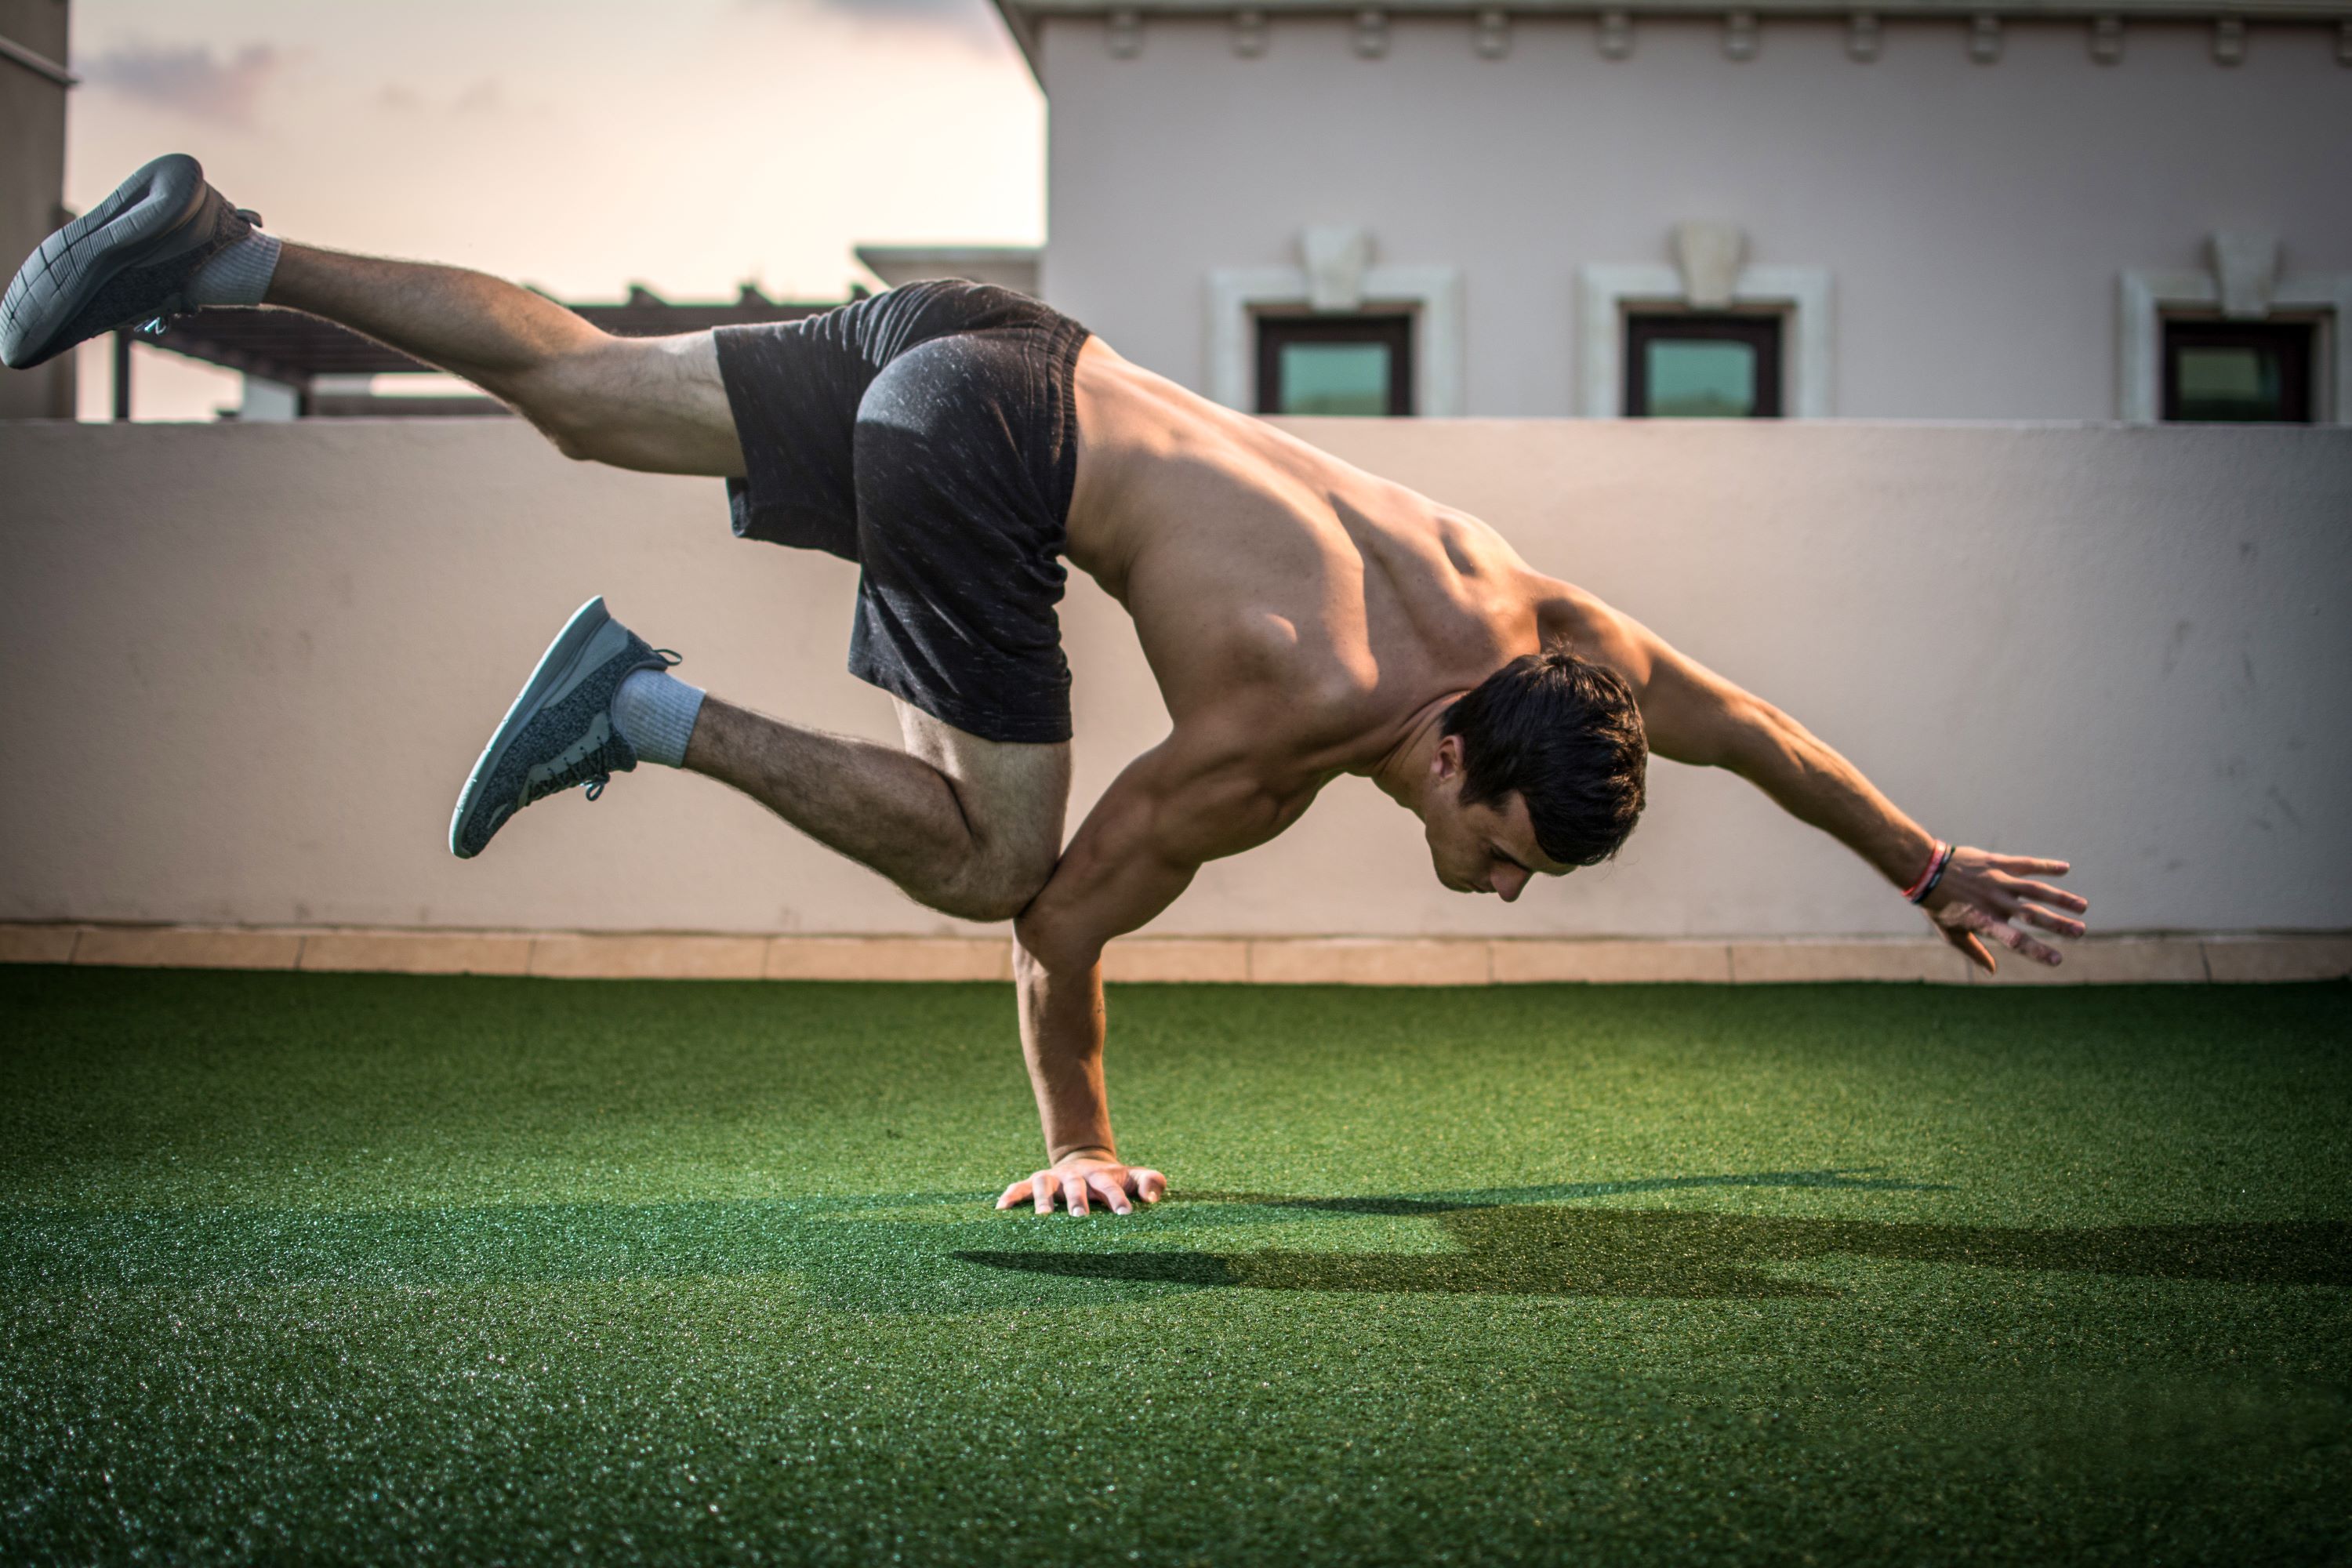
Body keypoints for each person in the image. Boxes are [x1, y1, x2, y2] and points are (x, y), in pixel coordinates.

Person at [3, 156, 2091, 1218]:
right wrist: (1081, 1138)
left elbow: (1762, 733)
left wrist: (1921, 864)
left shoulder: (1563, 634)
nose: (1498, 882)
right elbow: (1062, 925)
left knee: (577, 395)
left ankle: (221, 251)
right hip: (991, 456)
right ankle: (635, 707)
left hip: (989, 338)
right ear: (1454, 752)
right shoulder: (1297, 723)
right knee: (991, 848)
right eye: (1494, 846)